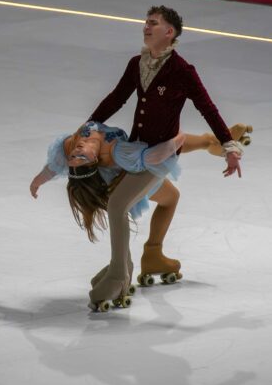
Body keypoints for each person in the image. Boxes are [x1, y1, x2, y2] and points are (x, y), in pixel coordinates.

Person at [84, 5, 246, 310]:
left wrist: (229, 147)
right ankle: (152, 255)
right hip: (134, 153)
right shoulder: (137, 63)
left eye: (153, 24)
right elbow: (116, 97)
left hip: (160, 157)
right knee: (169, 198)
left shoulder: (182, 71)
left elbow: (208, 108)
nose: (146, 27)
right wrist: (90, 125)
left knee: (117, 204)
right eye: (145, 23)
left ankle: (119, 273)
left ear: (169, 32)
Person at [30, 120, 249, 310]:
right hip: (135, 172)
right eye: (82, 158)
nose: (77, 151)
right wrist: (176, 140)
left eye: (74, 158)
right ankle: (216, 143)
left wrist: (37, 182)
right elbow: (153, 156)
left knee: (172, 198)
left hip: (141, 157)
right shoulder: (115, 153)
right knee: (171, 196)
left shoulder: (67, 146)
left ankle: (216, 143)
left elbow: (53, 167)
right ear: (95, 162)